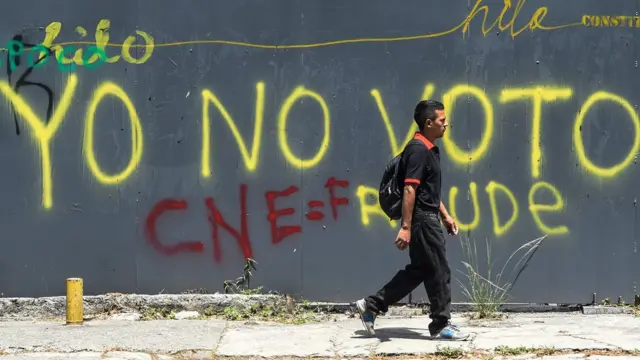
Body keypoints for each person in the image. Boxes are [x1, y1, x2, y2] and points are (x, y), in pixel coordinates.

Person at [354, 99, 469, 341]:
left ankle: (372, 305)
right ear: (428, 123)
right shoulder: (418, 150)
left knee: (419, 271)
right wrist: (406, 227)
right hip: (422, 222)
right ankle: (441, 324)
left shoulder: (427, 149)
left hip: (427, 218)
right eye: (441, 120)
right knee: (439, 270)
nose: (446, 124)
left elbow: (428, 192)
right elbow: (410, 190)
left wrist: (446, 216)